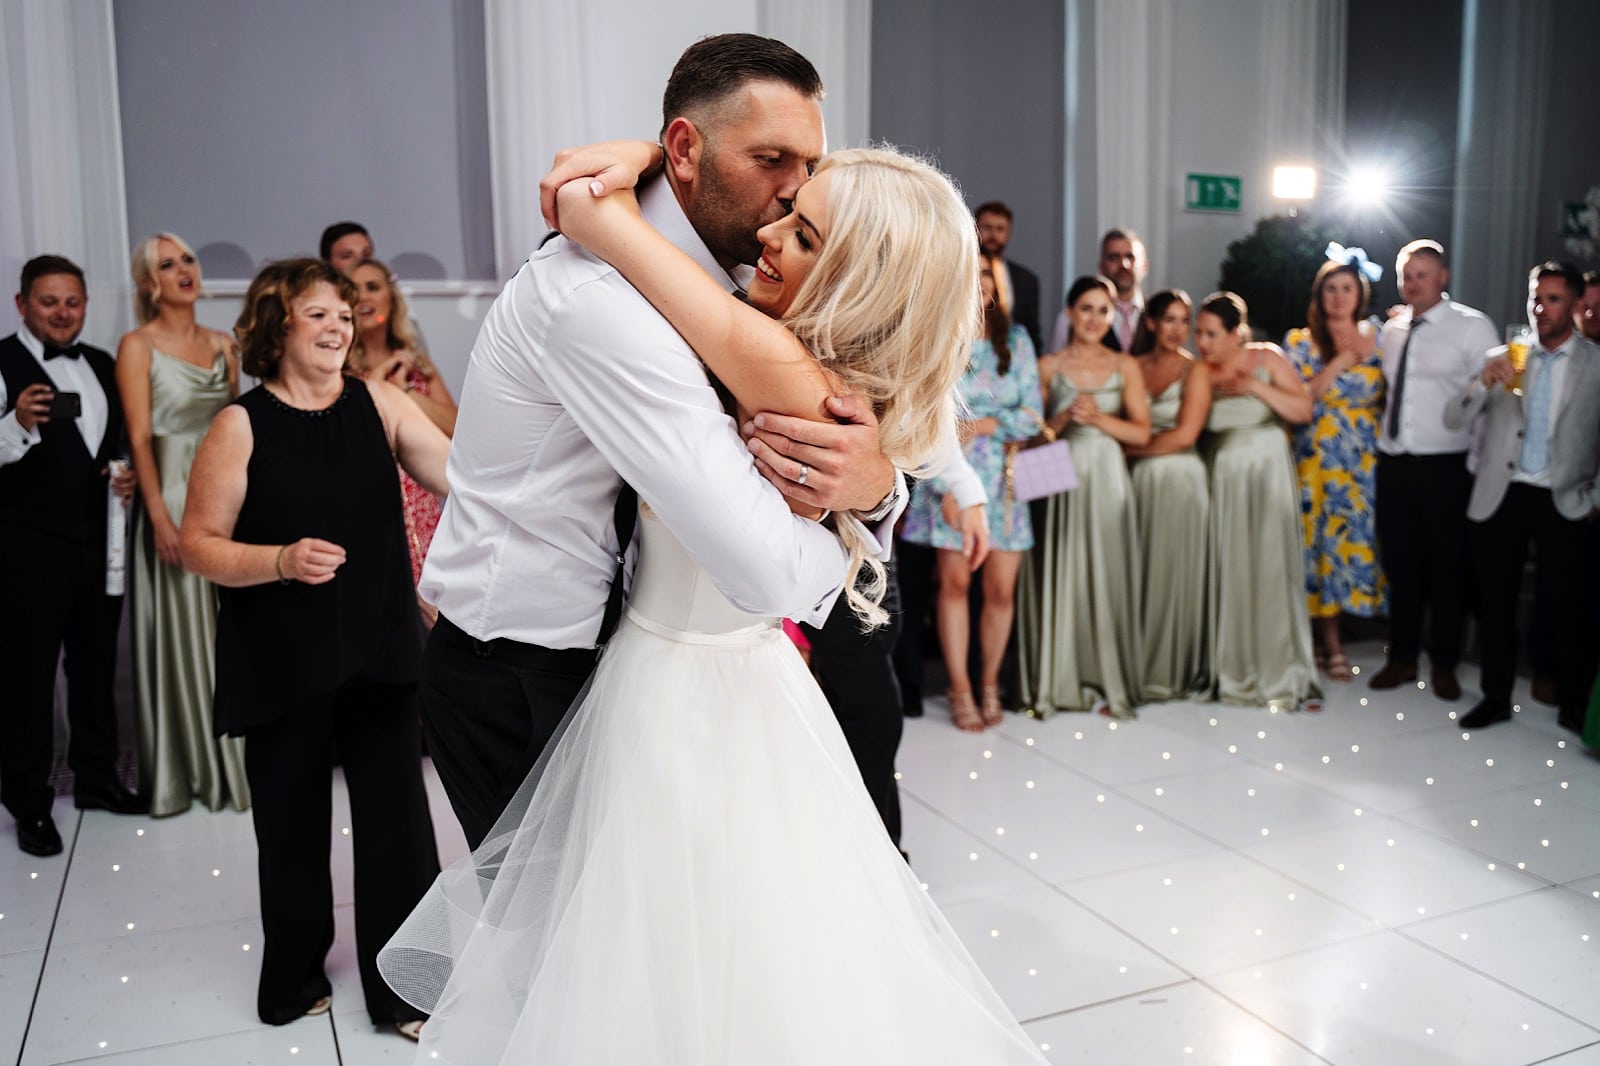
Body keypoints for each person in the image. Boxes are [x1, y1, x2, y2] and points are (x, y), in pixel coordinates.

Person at [378, 130, 1050, 1066]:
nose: (772, 229)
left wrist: (606, 202)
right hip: (712, 676)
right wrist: (649, 151)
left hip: (683, 687)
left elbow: (615, 235)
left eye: (805, 233)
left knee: (660, 965)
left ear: (859, 281)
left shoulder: (777, 365)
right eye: (788, 203)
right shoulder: (806, 350)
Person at [411, 35, 906, 856]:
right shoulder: (597, 299)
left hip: (634, 662)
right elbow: (759, 567)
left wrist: (878, 485)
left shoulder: (748, 271)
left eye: (809, 165)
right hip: (524, 671)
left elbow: (843, 420)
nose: (794, 190)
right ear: (683, 149)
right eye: (771, 159)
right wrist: (859, 544)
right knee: (564, 930)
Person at [179, 259, 450, 1037]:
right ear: (280, 323)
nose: (339, 326)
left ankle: (405, 991)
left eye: (344, 314)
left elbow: (462, 479)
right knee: (291, 827)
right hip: (282, 657)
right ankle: (294, 978)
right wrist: (279, 560)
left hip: (381, 647)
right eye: (319, 313)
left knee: (400, 828)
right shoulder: (240, 425)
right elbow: (198, 544)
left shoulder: (380, 402)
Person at [0, 255, 144, 856]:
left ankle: (96, 778)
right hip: (25, 548)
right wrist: (16, 423)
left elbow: (111, 444)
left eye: (72, 302)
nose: (62, 313)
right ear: (21, 305)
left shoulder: (104, 364)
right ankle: (30, 804)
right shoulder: (2, 363)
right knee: (27, 677)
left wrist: (124, 476)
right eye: (48, 301)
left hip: (96, 543)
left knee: (95, 664)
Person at [115, 233, 248, 817]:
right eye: (167, 265)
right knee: (183, 631)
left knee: (231, 626)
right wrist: (157, 518)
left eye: (187, 260)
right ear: (150, 284)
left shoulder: (224, 344)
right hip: (169, 495)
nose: (183, 270)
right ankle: (191, 768)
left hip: (225, 493)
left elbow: (238, 426)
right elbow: (140, 438)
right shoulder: (137, 345)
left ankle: (238, 763)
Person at [1444, 261, 1600, 732]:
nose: (1540, 308)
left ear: (1575, 305)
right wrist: (1481, 382)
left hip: (1564, 496)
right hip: (1504, 493)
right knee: (1496, 603)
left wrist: (1596, 498)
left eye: (1553, 299)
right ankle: (1495, 698)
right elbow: (1453, 419)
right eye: (1536, 298)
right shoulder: (1504, 356)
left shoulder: (1595, 362)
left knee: (1568, 608)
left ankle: (1573, 705)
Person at [901, 262, 1040, 730]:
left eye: (988, 273)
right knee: (954, 583)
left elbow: (1032, 414)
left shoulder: (1017, 341)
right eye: (973, 271)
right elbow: (923, 415)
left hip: (1005, 480)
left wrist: (982, 424)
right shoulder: (937, 336)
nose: (981, 282)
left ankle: (990, 683)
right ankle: (959, 686)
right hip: (948, 473)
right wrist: (949, 474)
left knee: (1001, 589)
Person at [1017, 274, 1151, 719]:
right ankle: (1058, 678)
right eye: (1086, 309)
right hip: (1058, 474)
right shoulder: (1048, 365)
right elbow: (1030, 439)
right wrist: (1063, 417)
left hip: (1108, 476)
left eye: (1103, 310)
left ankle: (1106, 673)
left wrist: (1098, 419)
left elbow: (1142, 433)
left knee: (1108, 570)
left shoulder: (1125, 365)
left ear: (1113, 316)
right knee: (1062, 568)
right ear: (1070, 313)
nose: (1094, 319)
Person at [1371, 239, 1496, 700]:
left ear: (1443, 277)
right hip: (1395, 462)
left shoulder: (1472, 326)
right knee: (1400, 566)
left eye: (1422, 274)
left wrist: (1476, 464)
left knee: (1447, 569)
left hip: (1446, 466)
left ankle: (1444, 664)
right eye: (1406, 275)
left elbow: (1488, 400)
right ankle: (1401, 657)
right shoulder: (1392, 329)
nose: (1412, 283)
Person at [1196, 291, 1322, 710]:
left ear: (1236, 332)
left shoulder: (1266, 357)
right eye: (1199, 333)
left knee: (1270, 564)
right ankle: (1232, 664)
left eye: (1212, 334)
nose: (1202, 342)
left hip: (1269, 474)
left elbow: (1302, 410)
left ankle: (1279, 666)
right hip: (1224, 478)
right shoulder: (1200, 372)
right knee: (1231, 564)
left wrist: (1253, 386)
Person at [1285, 255, 1388, 683]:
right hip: (1318, 459)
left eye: (1347, 288)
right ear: (1319, 295)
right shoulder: (1301, 341)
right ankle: (1328, 642)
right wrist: (1340, 362)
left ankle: (1346, 630)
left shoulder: (1380, 336)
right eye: (1331, 289)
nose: (1339, 296)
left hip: (1363, 462)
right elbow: (1298, 398)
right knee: (1320, 547)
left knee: (1353, 546)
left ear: (1360, 294)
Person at [1124, 289, 1213, 701]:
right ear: (1151, 323)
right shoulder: (1133, 365)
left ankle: (1171, 669)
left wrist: (1127, 450)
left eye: (1184, 321)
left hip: (1180, 482)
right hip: (1136, 485)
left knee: (1172, 572)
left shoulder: (1195, 371)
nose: (1178, 329)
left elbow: (1184, 436)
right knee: (1139, 571)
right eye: (1169, 320)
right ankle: (1133, 663)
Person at [348, 257, 457, 593]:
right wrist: (381, 380)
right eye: (353, 290)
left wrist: (406, 392)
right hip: (369, 498)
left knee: (434, 597)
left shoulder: (417, 365)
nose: (362, 297)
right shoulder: (339, 370)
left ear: (391, 299)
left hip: (423, 499)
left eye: (372, 287)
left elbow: (455, 427)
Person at [1049, 227, 1147, 351]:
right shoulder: (1070, 317)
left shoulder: (1157, 315)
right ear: (1101, 266)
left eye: (1130, 257)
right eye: (1114, 257)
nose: (1123, 265)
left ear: (1145, 266)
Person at [974, 200, 1042, 350]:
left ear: (1008, 234)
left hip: (1010, 354)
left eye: (1000, 229)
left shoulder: (1027, 280)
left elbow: (1033, 332)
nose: (993, 235)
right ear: (975, 228)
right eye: (988, 227)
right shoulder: (958, 271)